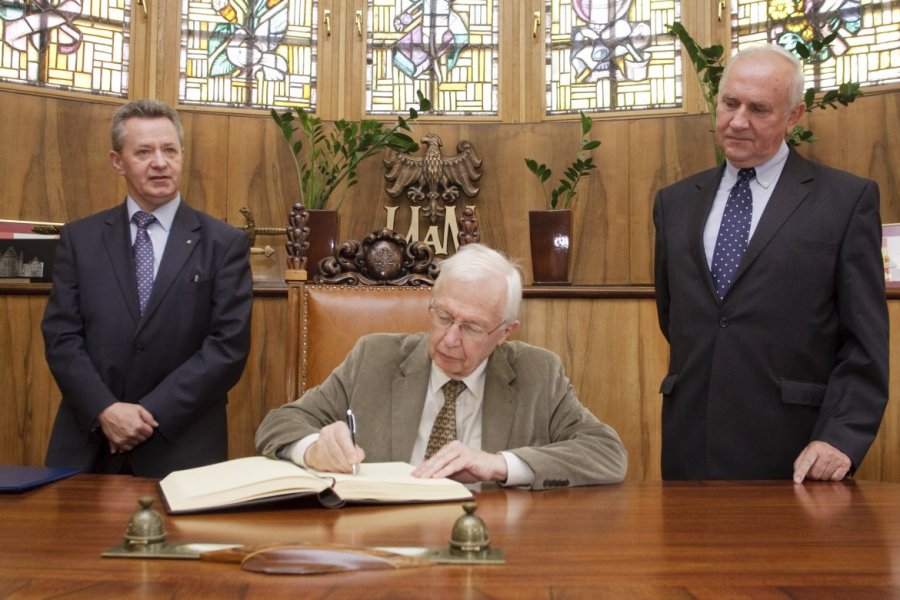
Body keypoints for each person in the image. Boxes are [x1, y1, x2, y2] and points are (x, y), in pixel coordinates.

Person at [652, 44, 888, 482]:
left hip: (795, 453)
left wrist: (841, 436)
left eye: (759, 109)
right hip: (689, 448)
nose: (738, 121)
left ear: (794, 116)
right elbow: (676, 318)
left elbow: (865, 342)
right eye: (729, 103)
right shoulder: (674, 203)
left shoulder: (844, 201)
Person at [256, 243, 627, 489]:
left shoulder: (538, 373)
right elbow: (279, 424)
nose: (450, 338)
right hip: (385, 543)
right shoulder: (375, 358)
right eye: (444, 316)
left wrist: (500, 465)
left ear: (504, 333)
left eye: (472, 327)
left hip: (491, 544)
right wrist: (311, 447)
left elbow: (607, 453)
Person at [42, 99, 253, 477]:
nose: (160, 162)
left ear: (182, 156)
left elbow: (227, 347)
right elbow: (61, 337)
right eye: (144, 151)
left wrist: (147, 416)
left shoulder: (224, 243)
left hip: (182, 445)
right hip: (90, 442)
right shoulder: (80, 238)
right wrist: (105, 410)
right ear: (117, 161)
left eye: (169, 150)